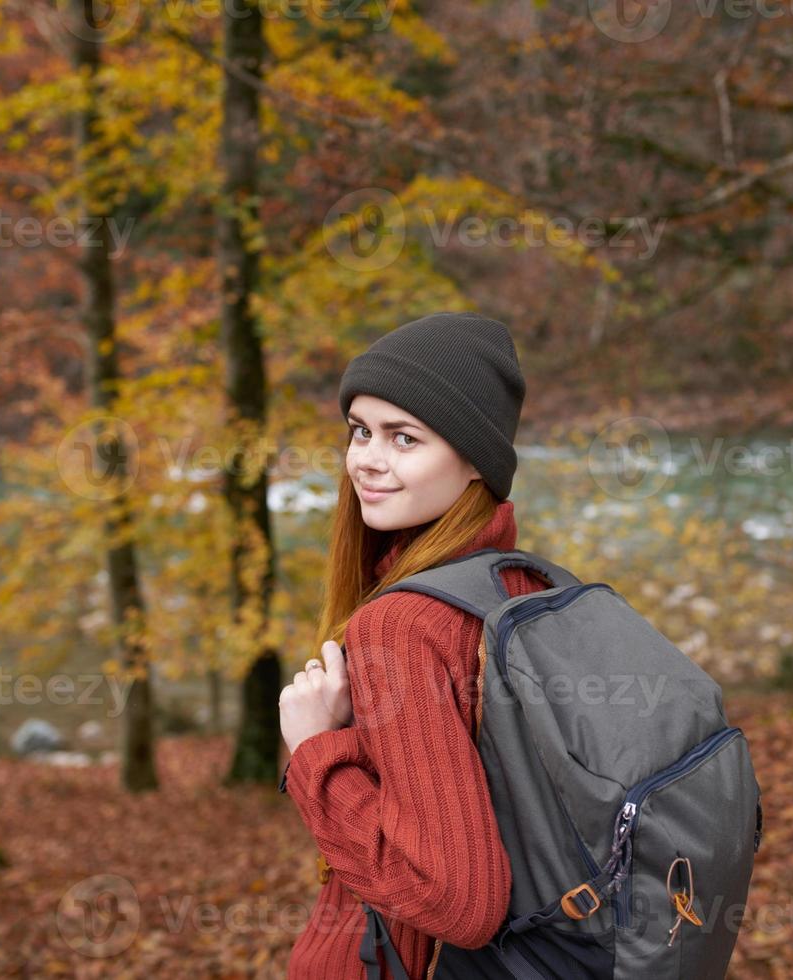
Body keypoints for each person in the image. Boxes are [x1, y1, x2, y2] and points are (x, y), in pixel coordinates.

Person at [279, 312, 552, 979]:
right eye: (361, 431)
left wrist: (316, 749)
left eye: (406, 438)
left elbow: (459, 901)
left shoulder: (401, 626)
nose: (367, 459)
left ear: (473, 463)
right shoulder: (520, 584)